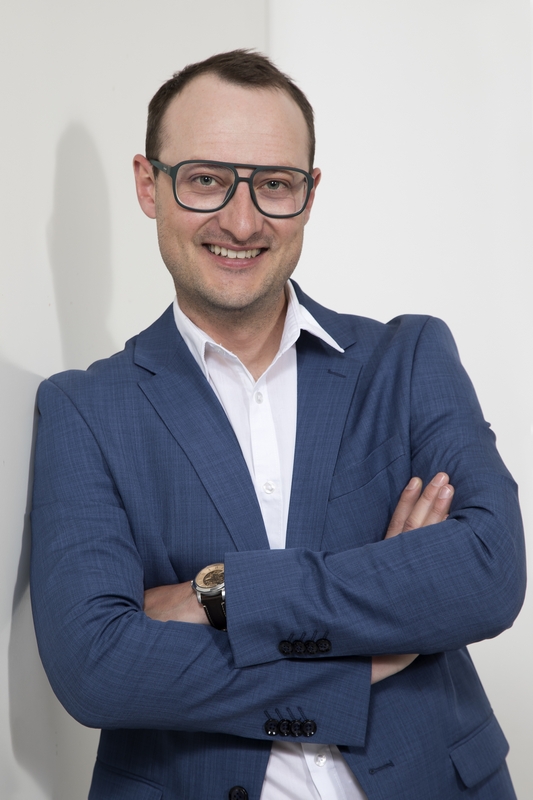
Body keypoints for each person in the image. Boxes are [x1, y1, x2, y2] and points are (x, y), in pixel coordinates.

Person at [30, 50, 525, 800]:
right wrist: (364, 652)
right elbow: (97, 667)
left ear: (309, 193)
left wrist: (219, 593)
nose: (241, 221)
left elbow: (488, 570)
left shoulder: (407, 358)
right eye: (205, 179)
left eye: (274, 184)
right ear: (148, 186)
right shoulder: (85, 409)